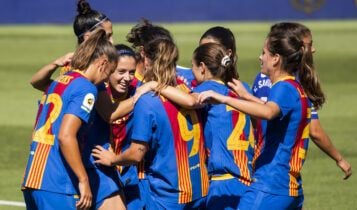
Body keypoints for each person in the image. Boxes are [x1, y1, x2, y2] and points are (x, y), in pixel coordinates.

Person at [198, 23, 321, 209]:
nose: (260, 57)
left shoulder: (283, 87)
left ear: (276, 59)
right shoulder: (296, 87)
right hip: (289, 186)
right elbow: (270, 108)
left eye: (264, 53)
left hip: (271, 184)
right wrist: (247, 96)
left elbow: (269, 112)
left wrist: (224, 100)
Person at [92, 38, 209, 209]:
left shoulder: (146, 100)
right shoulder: (186, 90)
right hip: (198, 188)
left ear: (145, 60)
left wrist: (113, 160)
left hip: (167, 192)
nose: (128, 77)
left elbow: (136, 154)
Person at [22, 29, 118, 210]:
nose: (107, 80)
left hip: (34, 177)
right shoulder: (87, 88)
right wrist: (83, 180)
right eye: (109, 72)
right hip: (57, 182)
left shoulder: (61, 80)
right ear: (102, 63)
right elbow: (66, 136)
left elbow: (36, 82)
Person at [250, 22, 352, 179]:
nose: (313, 49)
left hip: (261, 160)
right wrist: (339, 159)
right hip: (279, 167)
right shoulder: (293, 83)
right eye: (309, 44)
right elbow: (315, 131)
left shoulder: (262, 77)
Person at [31, 0, 114, 91]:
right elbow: (38, 83)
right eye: (107, 36)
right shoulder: (71, 66)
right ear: (88, 37)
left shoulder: (111, 61)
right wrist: (55, 63)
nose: (112, 42)